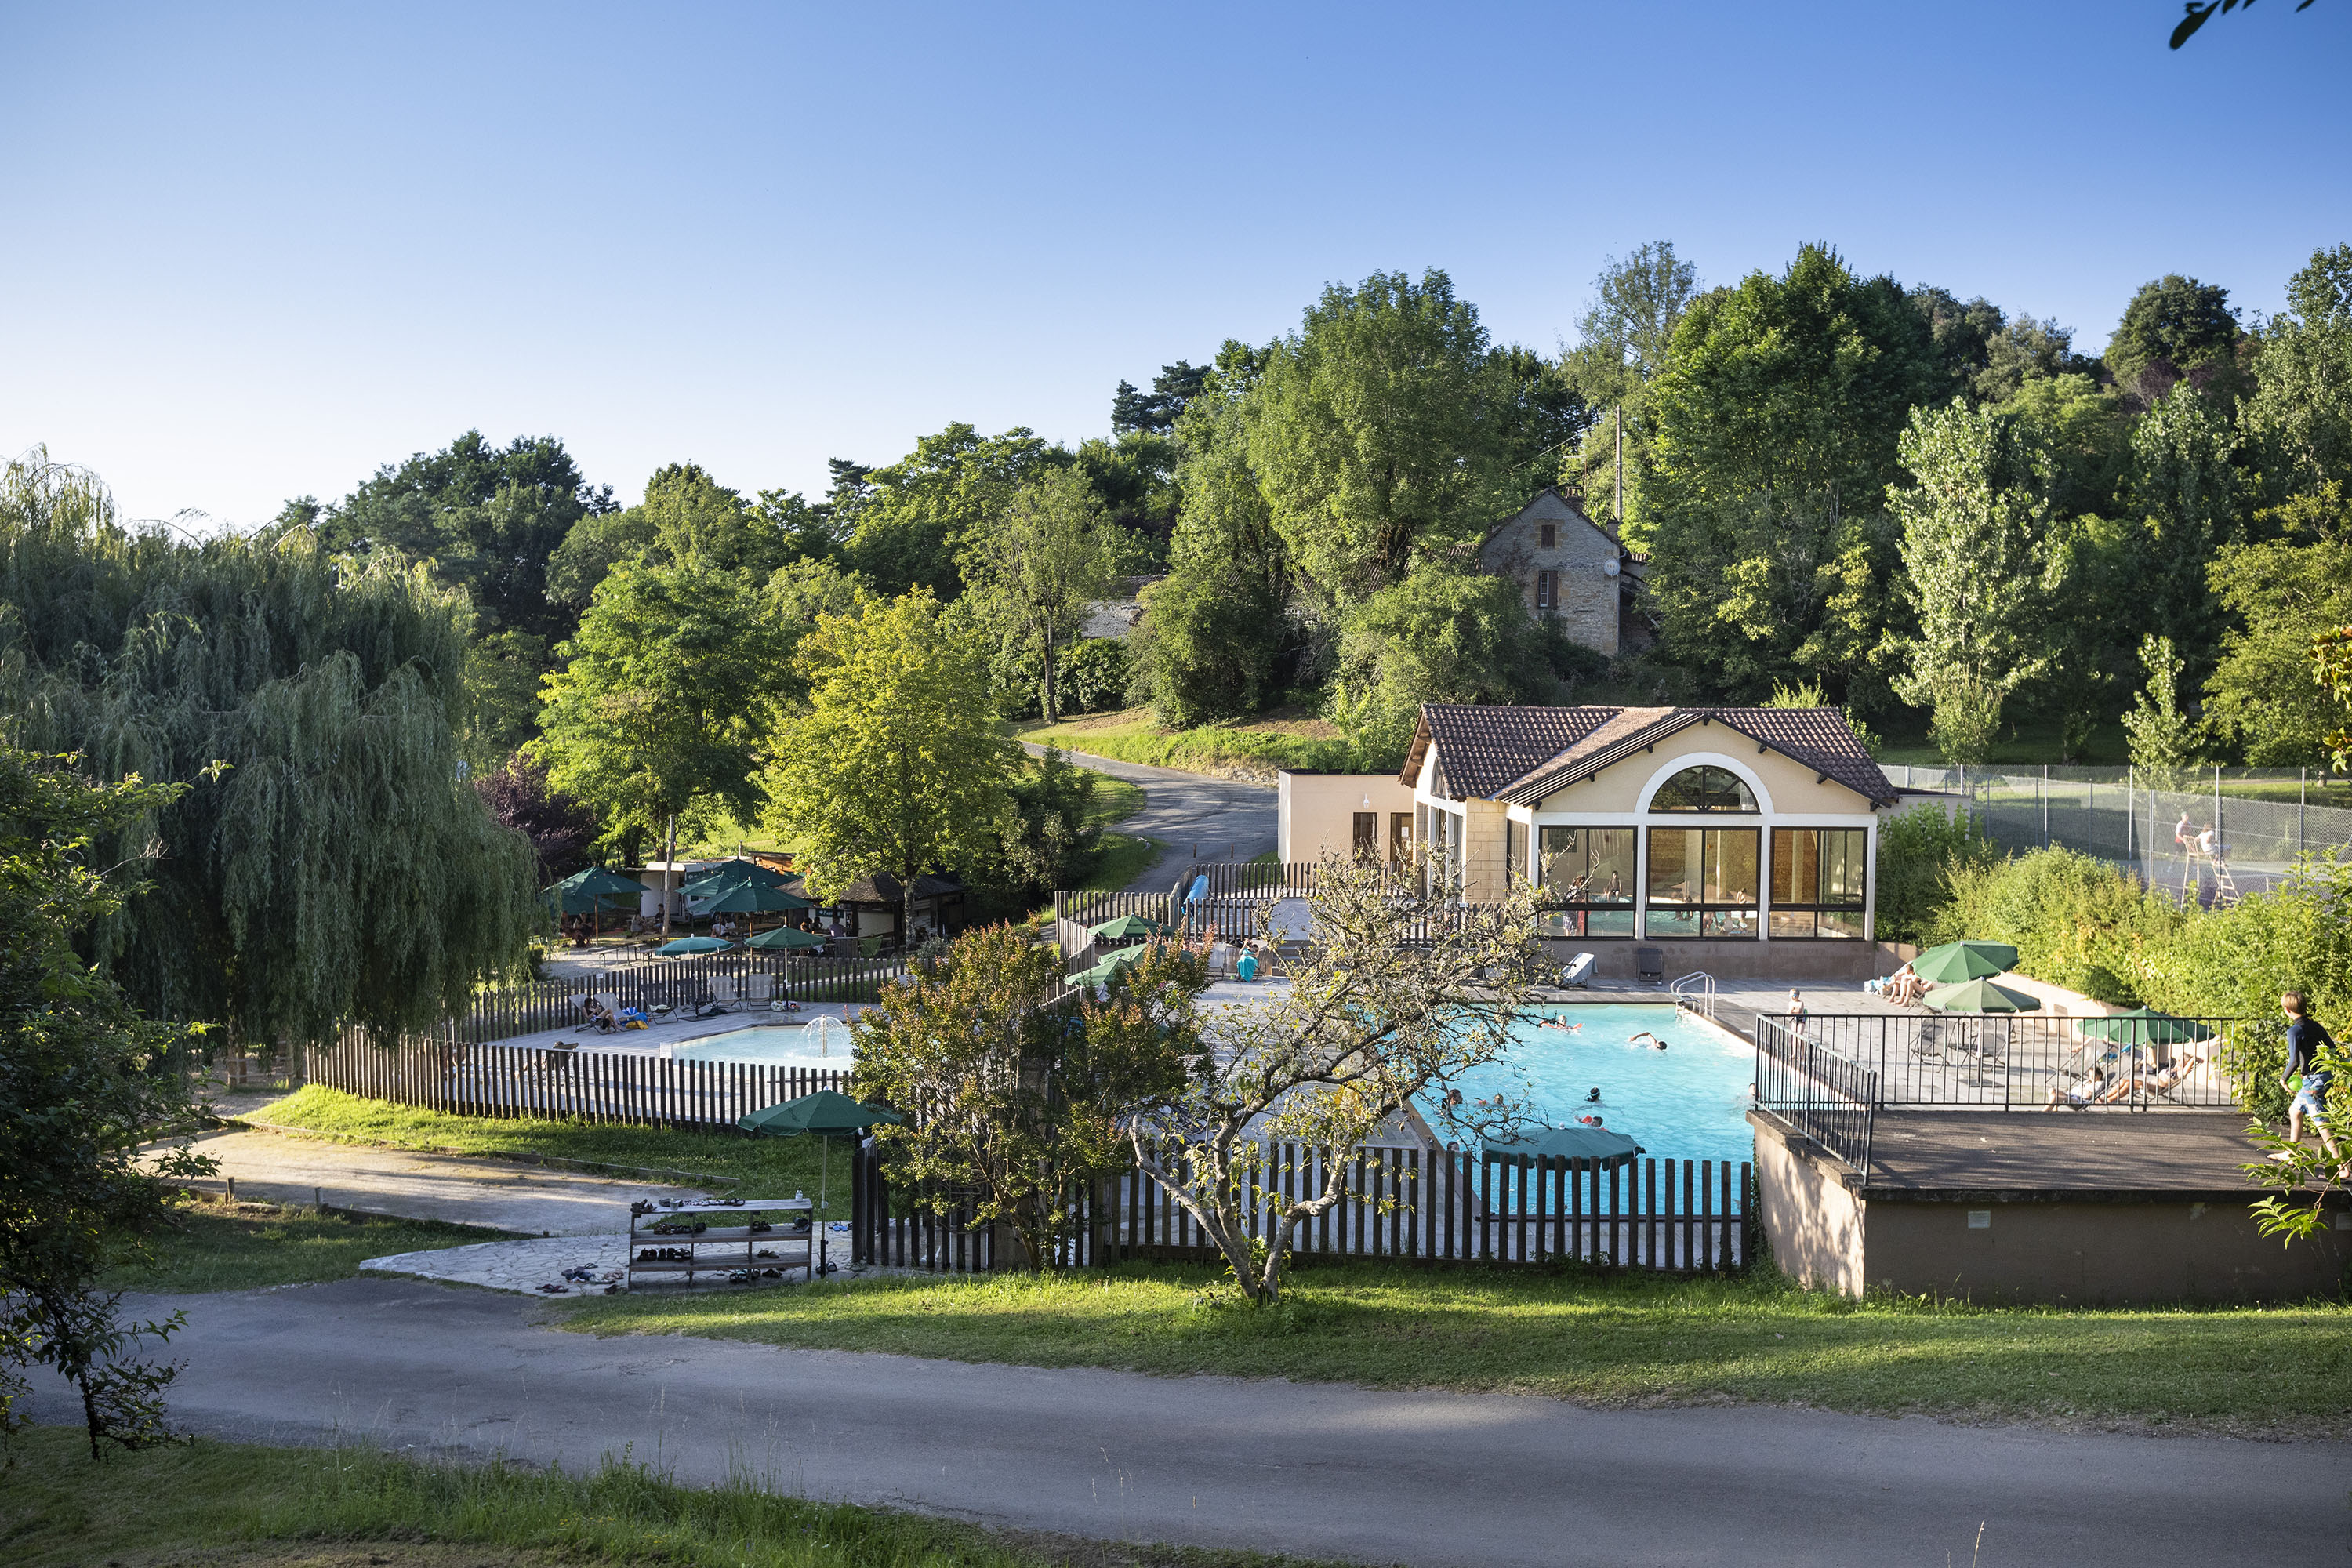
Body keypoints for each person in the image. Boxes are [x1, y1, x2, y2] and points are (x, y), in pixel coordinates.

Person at [2272, 992, 2345, 1171]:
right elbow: (2333, 1050)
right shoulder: (2316, 1026)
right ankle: (2290, 1153)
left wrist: (2283, 1079)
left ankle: (2341, 1167)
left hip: (2313, 1081)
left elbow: (2294, 1061)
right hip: (2321, 1076)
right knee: (2295, 1111)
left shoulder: (2294, 1031)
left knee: (2320, 1122)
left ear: (2287, 1010)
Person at [2045, 1065, 2110, 1110]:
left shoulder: (2099, 1083)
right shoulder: (2087, 1081)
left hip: (2079, 1100)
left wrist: (2080, 1090)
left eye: (2094, 1075)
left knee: (2055, 1097)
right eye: (2090, 1076)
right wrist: (2082, 1090)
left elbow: (2089, 1095)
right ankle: (2054, 1109)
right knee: (2051, 1090)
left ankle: (2043, 1114)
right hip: (2072, 1095)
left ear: (2100, 1075)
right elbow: (2080, 1090)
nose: (2092, 1077)